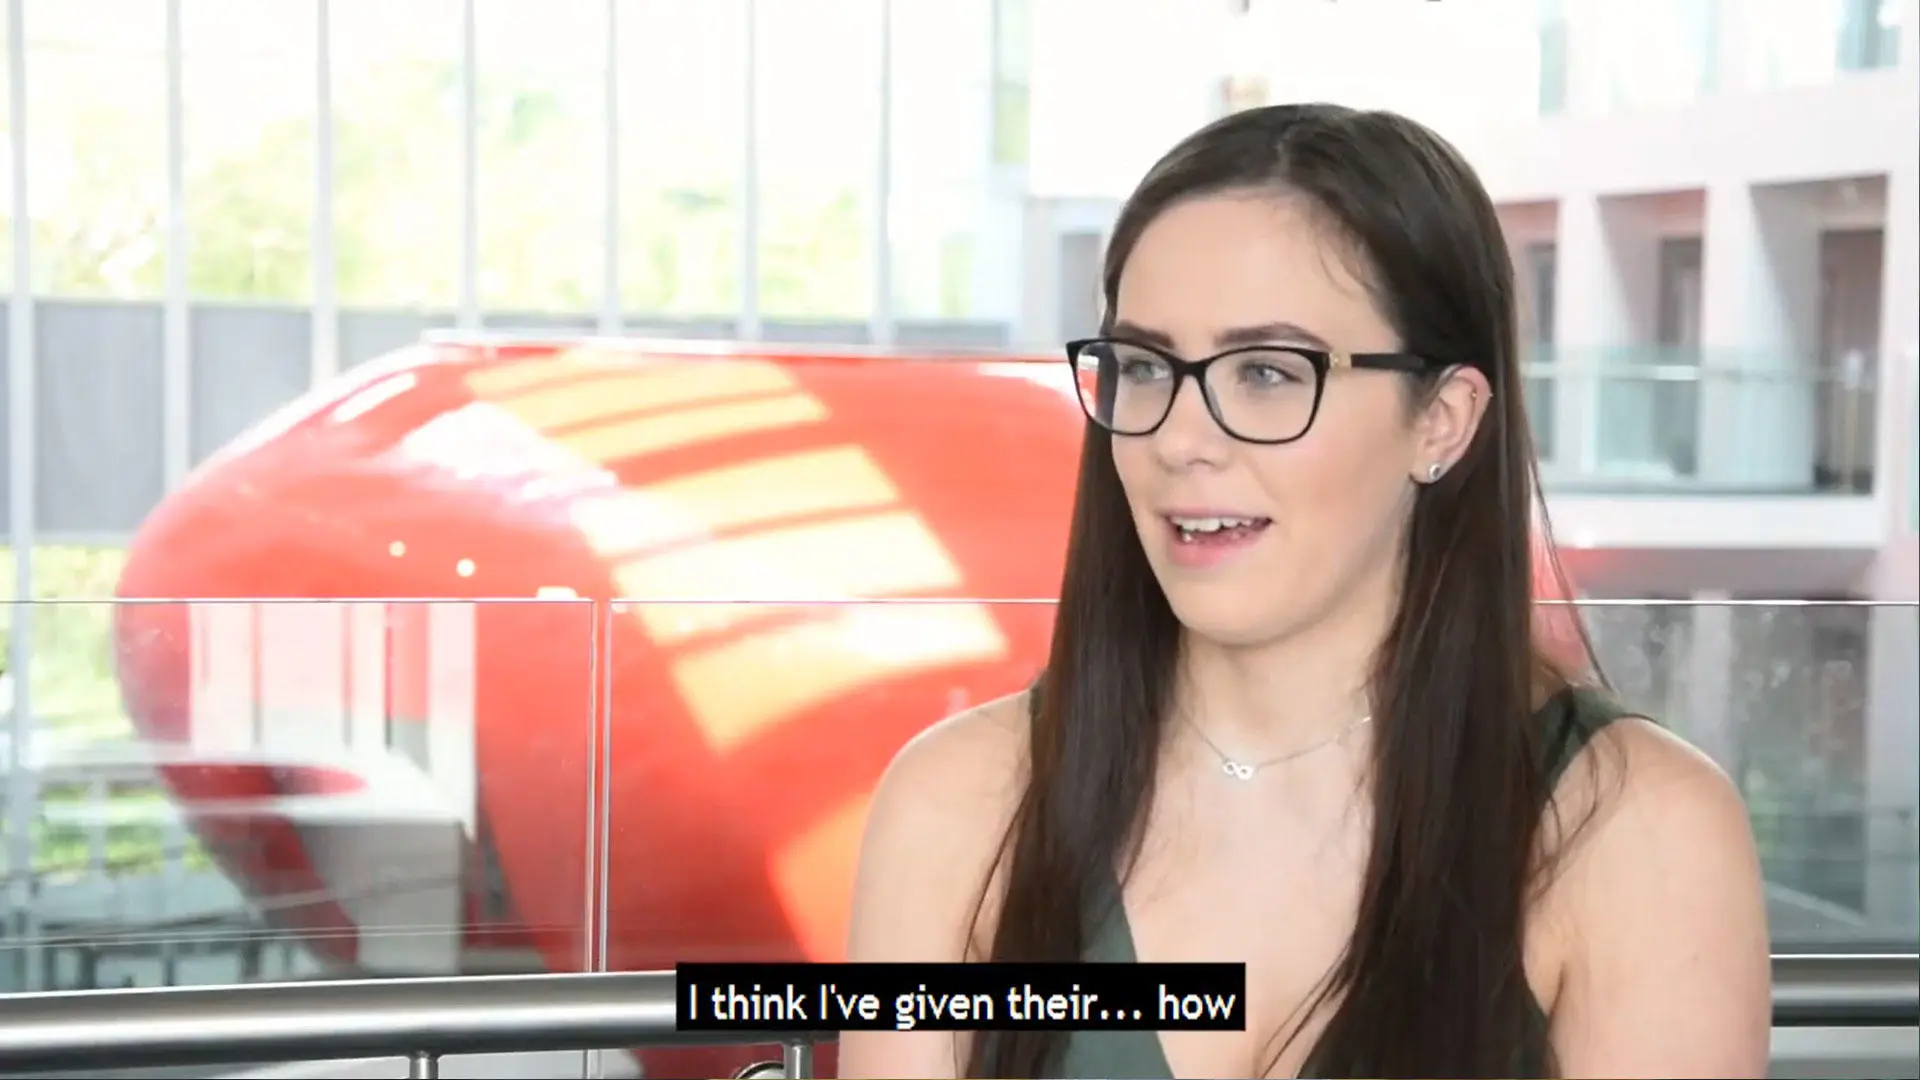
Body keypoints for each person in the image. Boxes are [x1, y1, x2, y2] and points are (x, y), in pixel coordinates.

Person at [838, 103, 1771, 1079]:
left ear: (1442, 421)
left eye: (1268, 374)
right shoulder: (958, 805)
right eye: (1147, 367)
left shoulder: (1637, 831)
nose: (1179, 438)